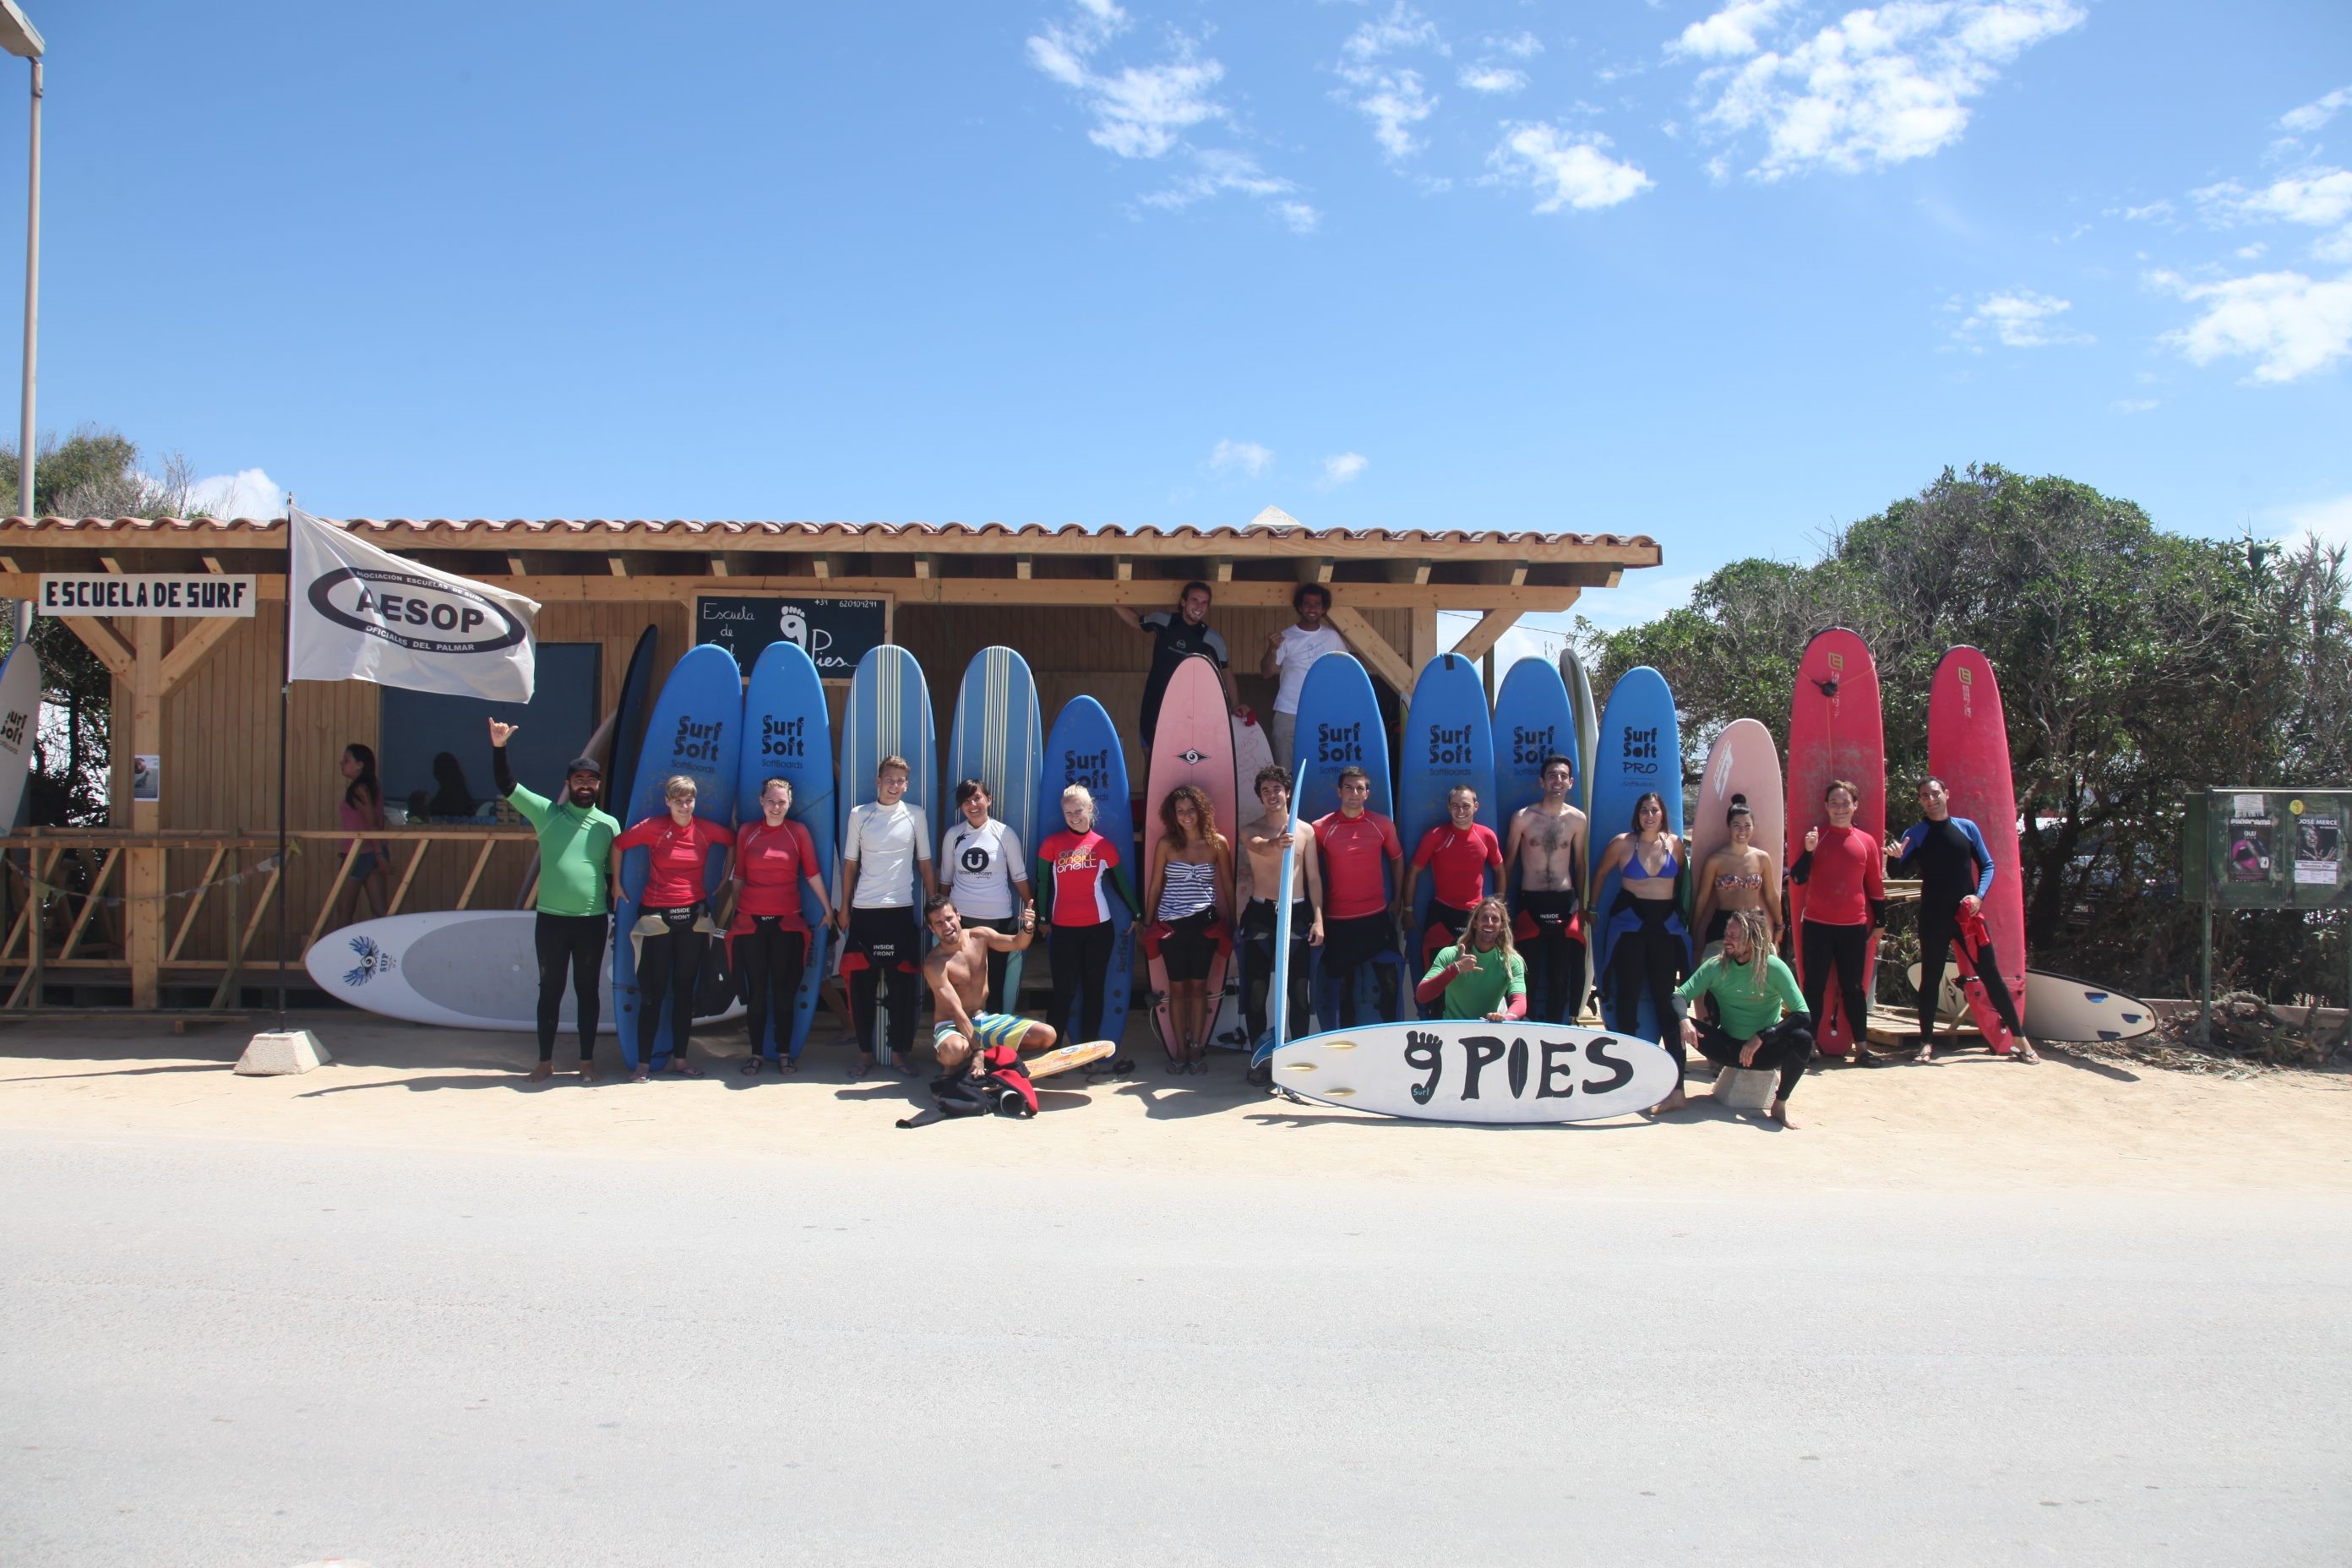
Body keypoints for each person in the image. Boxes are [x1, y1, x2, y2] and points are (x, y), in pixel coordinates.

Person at [488, 721, 618, 1082]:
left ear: (598, 785)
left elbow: (614, 875)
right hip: (551, 921)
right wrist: (500, 747)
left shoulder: (609, 825)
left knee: (588, 991)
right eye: (578, 780)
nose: (585, 785)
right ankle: (544, 1062)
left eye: (591, 780)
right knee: (550, 990)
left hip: (592, 920)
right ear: (568, 784)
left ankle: (586, 1062)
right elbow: (507, 785)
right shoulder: (547, 814)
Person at [1886, 776, 2035, 1063]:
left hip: (1967, 916)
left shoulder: (1966, 828)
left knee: (1991, 974)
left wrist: (1979, 896)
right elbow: (1897, 872)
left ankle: (2020, 1039)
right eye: (1924, 796)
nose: (1930, 800)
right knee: (1930, 978)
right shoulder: (1916, 833)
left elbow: (1988, 864)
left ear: (1946, 793)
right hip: (1934, 916)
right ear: (1920, 801)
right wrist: (1893, 858)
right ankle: (1926, 1044)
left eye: (1934, 793)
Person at [613, 775, 732, 1081]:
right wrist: (615, 884)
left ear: (695, 801)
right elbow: (619, 844)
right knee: (651, 994)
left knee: (684, 993)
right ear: (667, 802)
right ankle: (642, 1065)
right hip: (657, 918)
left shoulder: (704, 829)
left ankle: (680, 1061)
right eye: (677, 800)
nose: (684, 805)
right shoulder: (655, 827)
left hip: (692, 919)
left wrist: (725, 876)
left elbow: (733, 840)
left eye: (689, 799)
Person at [1663, 909, 1816, 1128]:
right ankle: (1677, 1094)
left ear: (1752, 939)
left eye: (1734, 936)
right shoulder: (1717, 965)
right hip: (1728, 1049)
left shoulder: (1774, 967)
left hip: (1765, 1051)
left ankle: (1779, 1104)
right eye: (1726, 934)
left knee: (1803, 1039)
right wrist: (1684, 1020)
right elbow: (1678, 996)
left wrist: (1763, 1035)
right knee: (1672, 1018)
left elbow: (1803, 1015)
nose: (1727, 940)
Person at [836, 754, 937, 1077]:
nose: (895, 786)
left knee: (903, 989)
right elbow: (850, 863)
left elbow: (925, 863)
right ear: (878, 781)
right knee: (861, 988)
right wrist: (844, 907)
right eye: (890, 780)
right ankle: (864, 1054)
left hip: (900, 910)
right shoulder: (859, 815)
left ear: (907, 784)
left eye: (901, 781)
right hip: (865, 912)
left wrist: (933, 906)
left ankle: (899, 1054)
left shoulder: (916, 815)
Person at [723, 776, 833, 1077]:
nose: (775, 806)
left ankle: (784, 1053)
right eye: (770, 801)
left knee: (785, 994)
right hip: (752, 924)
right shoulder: (747, 832)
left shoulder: (798, 832)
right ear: (761, 801)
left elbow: (811, 873)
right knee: (757, 993)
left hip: (787, 923)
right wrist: (737, 914)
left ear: (789, 803)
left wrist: (827, 909)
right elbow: (740, 877)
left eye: (781, 802)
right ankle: (756, 1053)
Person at [1034, 784, 1138, 1078]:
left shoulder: (1102, 845)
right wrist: (1043, 918)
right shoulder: (1052, 844)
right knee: (1063, 993)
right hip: (1064, 931)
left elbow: (1120, 884)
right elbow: (1043, 884)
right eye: (1068, 813)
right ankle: (1052, 1056)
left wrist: (1137, 913)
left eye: (1078, 811)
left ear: (1090, 807)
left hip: (1098, 930)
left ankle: (1087, 1055)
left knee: (1094, 991)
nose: (1074, 817)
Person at [1786, 779, 1887, 1068]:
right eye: (1834, 803)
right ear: (1826, 807)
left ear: (1855, 806)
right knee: (1814, 986)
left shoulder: (1865, 842)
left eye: (1845, 803)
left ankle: (1862, 1048)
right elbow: (1797, 878)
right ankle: (1809, 1044)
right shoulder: (1817, 837)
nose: (1840, 808)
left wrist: (1880, 920)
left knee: (1853, 988)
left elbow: (1875, 886)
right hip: (1818, 925)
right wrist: (1808, 851)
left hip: (1853, 926)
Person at [1237, 764, 1325, 1084]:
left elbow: (1313, 878)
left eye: (1277, 789)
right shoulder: (1250, 829)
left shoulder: (1306, 831)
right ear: (1260, 797)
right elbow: (1259, 845)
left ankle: (1297, 1061)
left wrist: (1318, 919)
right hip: (1261, 916)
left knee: (1299, 993)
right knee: (1257, 994)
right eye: (1265, 791)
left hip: (1298, 915)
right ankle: (1260, 1061)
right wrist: (1276, 845)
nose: (1271, 795)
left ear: (1288, 792)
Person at [1146, 783, 1233, 1073]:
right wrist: (1148, 923)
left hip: (1204, 925)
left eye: (1191, 809)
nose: (1186, 815)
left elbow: (1228, 886)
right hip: (1171, 926)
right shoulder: (1166, 844)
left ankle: (1196, 1050)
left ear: (1201, 811)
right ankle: (1178, 1051)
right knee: (1177, 989)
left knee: (1200, 989)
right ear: (1173, 815)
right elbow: (1157, 885)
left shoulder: (1218, 843)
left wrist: (1233, 923)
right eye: (1180, 810)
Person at [1590, 792, 1688, 1045]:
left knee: (1664, 995)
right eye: (1645, 810)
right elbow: (1600, 874)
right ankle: (1627, 1059)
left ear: (1663, 813)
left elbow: (1684, 886)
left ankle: (1676, 1073)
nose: (1650, 816)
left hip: (1664, 926)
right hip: (1630, 925)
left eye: (1655, 810)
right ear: (1637, 814)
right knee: (1628, 993)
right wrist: (1591, 908)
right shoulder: (1622, 843)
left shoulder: (1675, 844)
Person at [1312, 765, 1407, 1027]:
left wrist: (1398, 898)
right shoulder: (1321, 828)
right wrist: (1316, 915)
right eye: (1348, 787)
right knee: (1344, 989)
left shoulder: (1382, 825)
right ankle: (1345, 1045)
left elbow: (1398, 860)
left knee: (1389, 981)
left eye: (1360, 788)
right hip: (1338, 921)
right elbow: (1309, 872)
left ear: (1368, 793)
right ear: (1338, 791)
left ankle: (1390, 1036)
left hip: (1376, 917)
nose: (1354, 793)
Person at [923, 895, 1054, 1072]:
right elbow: (955, 1011)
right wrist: (976, 1050)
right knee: (953, 1052)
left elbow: (1018, 943)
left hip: (982, 1019)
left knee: (1047, 1035)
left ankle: (989, 1053)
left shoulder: (980, 936)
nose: (947, 926)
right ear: (932, 929)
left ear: (958, 915)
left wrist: (1028, 927)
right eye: (939, 923)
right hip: (951, 1024)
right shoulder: (934, 964)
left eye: (949, 918)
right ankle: (955, 1060)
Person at [1503, 754, 1588, 1025]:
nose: (1557, 780)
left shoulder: (1577, 820)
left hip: (1565, 902)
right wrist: (1503, 901)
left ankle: (1556, 1028)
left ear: (1571, 782)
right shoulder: (1523, 818)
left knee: (1561, 975)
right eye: (1552, 775)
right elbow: (1508, 863)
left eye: (1563, 776)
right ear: (1542, 781)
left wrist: (1585, 906)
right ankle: (1524, 1026)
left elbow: (1579, 864)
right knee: (1527, 972)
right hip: (1532, 902)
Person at [1115, 580, 1244, 752]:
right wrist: (1109, 600)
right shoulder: (1164, 621)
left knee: (1179, 758)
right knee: (1150, 756)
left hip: (1186, 709)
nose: (1199, 606)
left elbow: (1226, 673)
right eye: (1194, 600)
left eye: (1204, 602)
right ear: (1183, 602)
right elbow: (1135, 621)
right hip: (1154, 701)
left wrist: (1235, 705)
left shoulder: (1212, 639)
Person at [939, 779, 1033, 1015]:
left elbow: (1019, 877)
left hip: (999, 922)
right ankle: (966, 1041)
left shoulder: (1004, 833)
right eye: (966, 801)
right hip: (963, 923)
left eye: (977, 798)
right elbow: (946, 881)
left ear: (988, 800)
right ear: (961, 807)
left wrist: (1034, 909)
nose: (972, 805)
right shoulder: (953, 835)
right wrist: (940, 916)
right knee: (964, 983)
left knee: (995, 984)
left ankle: (994, 1046)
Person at [1402, 785, 1504, 977]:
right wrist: (1408, 911)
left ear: (1476, 806)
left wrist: (1499, 909)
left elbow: (1500, 870)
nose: (1460, 811)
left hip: (1474, 917)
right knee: (1436, 976)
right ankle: (1432, 1009)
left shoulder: (1486, 836)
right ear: (1449, 808)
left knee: (1475, 977)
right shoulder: (1435, 836)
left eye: (1466, 806)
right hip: (1442, 914)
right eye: (1455, 806)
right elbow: (1413, 872)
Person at [1258, 584, 1348, 773]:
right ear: (1299, 607)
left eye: (1317, 604)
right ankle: (1288, 804)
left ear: (1324, 609)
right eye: (1307, 604)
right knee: (1285, 769)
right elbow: (1267, 672)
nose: (1312, 608)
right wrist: (1272, 649)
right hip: (1288, 711)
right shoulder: (1286, 637)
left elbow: (1345, 670)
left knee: (1320, 769)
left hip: (1323, 713)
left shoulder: (1332, 637)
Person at [1690, 795, 1781, 957]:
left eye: (1747, 825)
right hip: (1724, 924)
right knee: (1716, 976)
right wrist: (1694, 932)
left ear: (1753, 827)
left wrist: (1780, 925)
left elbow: (1771, 895)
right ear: (1729, 826)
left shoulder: (1762, 858)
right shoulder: (1715, 860)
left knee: (1761, 975)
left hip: (1755, 924)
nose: (1742, 831)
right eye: (1737, 825)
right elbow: (1703, 898)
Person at [1413, 896, 1527, 1021]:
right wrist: (1454, 969)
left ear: (1502, 925)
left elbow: (1520, 1002)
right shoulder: (1449, 954)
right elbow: (1422, 995)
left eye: (1495, 919)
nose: (1489, 923)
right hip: (1453, 1031)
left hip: (1489, 1031)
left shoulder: (1511, 960)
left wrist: (1505, 1018)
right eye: (1484, 918)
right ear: (1474, 923)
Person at [334, 743, 392, 926]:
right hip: (371, 852)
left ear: (360, 764)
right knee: (380, 909)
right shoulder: (372, 787)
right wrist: (380, 853)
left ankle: (341, 953)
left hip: (357, 854)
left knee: (345, 909)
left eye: (347, 760)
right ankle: (390, 949)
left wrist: (380, 855)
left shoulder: (360, 790)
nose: (341, 763)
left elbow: (372, 824)